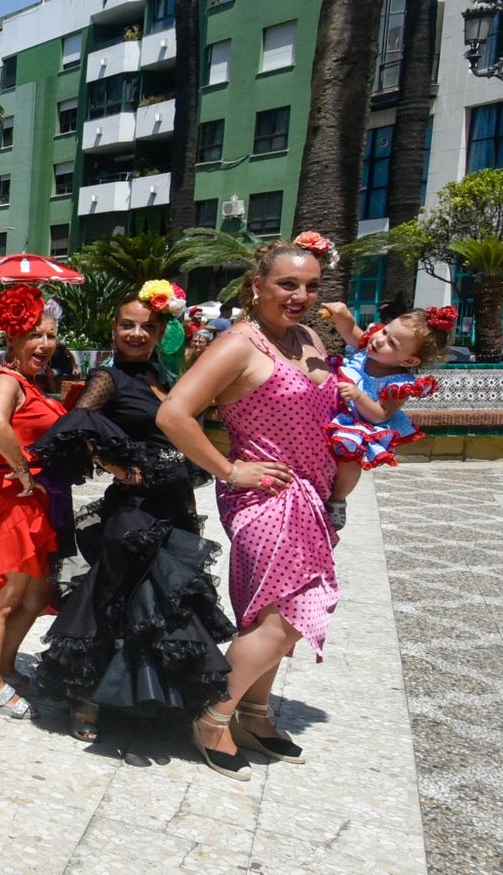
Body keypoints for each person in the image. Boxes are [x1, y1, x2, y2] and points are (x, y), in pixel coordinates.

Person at [157, 236, 342, 782]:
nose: (300, 295)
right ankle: (212, 716)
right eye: (288, 284)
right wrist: (230, 470)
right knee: (290, 615)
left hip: (311, 496)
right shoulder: (239, 345)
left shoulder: (306, 337)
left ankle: (253, 714)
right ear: (257, 286)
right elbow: (174, 414)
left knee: (268, 615)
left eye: (311, 286)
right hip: (267, 498)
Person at [30, 283, 236, 743]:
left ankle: (150, 698)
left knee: (165, 603)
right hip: (134, 508)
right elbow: (76, 426)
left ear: (161, 331)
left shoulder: (165, 375)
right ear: (114, 328)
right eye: (127, 325)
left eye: (146, 326)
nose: (136, 334)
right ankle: (87, 699)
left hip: (173, 501)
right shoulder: (109, 377)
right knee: (116, 594)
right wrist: (116, 468)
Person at [0, 285, 68, 718]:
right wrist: (24, 468)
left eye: (50, 335)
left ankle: (4, 667)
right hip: (14, 497)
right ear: (12, 338)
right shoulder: (7, 380)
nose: (44, 344)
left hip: (32, 501)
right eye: (34, 335)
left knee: (34, 595)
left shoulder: (28, 382)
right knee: (4, 594)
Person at [319, 300, 452, 529]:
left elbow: (380, 415)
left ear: (408, 360)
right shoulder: (366, 350)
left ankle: (338, 499)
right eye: (384, 331)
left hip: (358, 424)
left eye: (391, 342)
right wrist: (340, 315)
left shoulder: (398, 383)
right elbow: (350, 330)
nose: (379, 339)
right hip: (332, 409)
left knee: (350, 457)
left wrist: (358, 396)